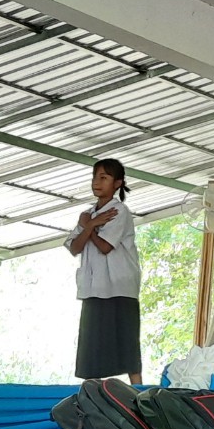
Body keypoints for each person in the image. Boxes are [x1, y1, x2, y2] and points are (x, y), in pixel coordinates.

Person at [65, 159, 142, 384]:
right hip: (93, 288)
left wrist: (90, 226)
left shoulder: (119, 211)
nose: (97, 182)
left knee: (127, 344)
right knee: (92, 346)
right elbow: (74, 247)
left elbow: (105, 246)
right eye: (95, 177)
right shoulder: (88, 215)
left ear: (117, 183)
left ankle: (139, 392)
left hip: (119, 286)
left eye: (104, 178)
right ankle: (92, 394)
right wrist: (90, 224)